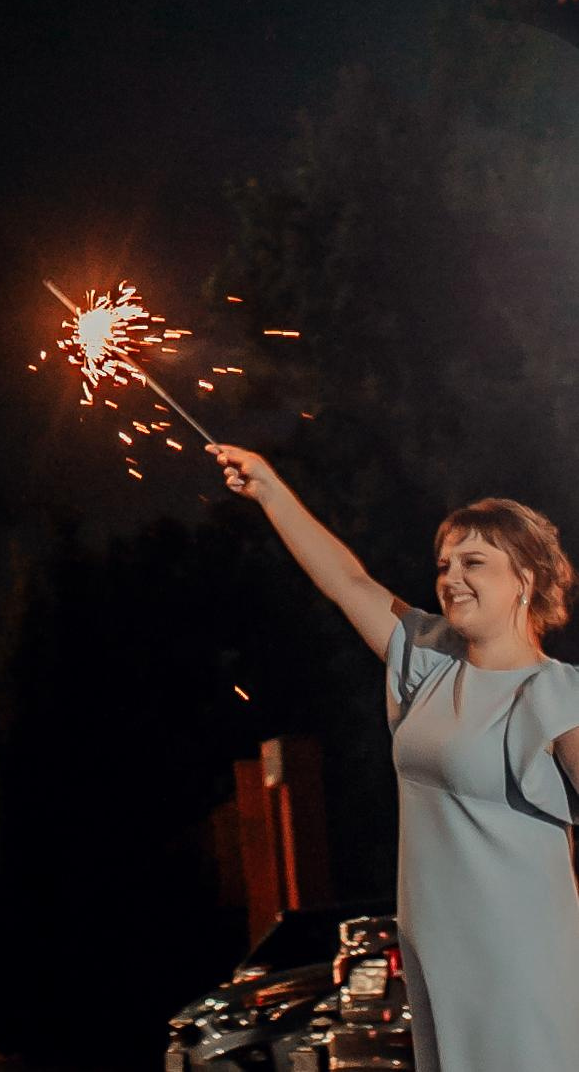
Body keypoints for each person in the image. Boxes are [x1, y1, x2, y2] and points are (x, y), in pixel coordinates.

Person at [210, 446, 579, 1072]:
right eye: (444, 563)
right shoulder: (427, 658)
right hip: (434, 954)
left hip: (520, 960)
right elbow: (347, 580)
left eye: (474, 562)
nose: (450, 576)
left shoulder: (558, 694)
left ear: (527, 580)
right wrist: (270, 489)